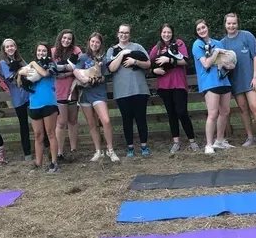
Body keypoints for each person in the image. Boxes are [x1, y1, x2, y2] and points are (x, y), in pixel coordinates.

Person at [221, 13, 256, 147]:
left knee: (255, 107)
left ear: (237, 24)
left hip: (251, 78)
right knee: (243, 109)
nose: (231, 26)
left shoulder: (247, 36)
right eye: (229, 23)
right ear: (225, 25)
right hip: (236, 81)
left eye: (234, 23)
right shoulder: (222, 43)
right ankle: (250, 137)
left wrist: (255, 76)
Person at [149, 24, 198, 154]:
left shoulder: (179, 44)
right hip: (164, 85)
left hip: (178, 84)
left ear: (172, 33)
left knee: (182, 112)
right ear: (160, 33)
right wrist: (154, 70)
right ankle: (176, 142)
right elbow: (149, 64)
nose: (166, 34)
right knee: (171, 114)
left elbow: (185, 61)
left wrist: (169, 59)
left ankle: (192, 141)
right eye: (164, 32)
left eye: (169, 32)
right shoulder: (156, 48)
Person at [106, 24, 152, 157]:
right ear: (117, 34)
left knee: (141, 118)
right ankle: (130, 148)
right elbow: (112, 68)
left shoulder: (137, 47)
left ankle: (144, 146)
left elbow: (148, 64)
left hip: (139, 89)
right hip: (122, 91)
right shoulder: (112, 50)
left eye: (126, 33)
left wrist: (135, 62)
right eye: (121, 32)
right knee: (127, 120)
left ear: (129, 34)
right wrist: (122, 54)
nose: (124, 35)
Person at [76, 32, 120, 162]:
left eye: (97, 42)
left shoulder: (103, 59)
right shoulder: (83, 58)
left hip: (98, 94)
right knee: (92, 123)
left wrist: (95, 79)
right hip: (85, 95)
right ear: (89, 42)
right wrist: (84, 79)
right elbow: (77, 72)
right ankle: (98, 151)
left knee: (105, 121)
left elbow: (104, 77)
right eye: (93, 41)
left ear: (101, 44)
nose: (94, 44)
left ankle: (110, 150)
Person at [192, 19, 234, 154]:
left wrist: (229, 65)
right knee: (213, 113)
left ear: (207, 27)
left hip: (224, 80)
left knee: (225, 111)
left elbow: (228, 62)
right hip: (209, 82)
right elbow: (206, 64)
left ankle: (220, 141)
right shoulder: (197, 44)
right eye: (198, 29)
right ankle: (208, 145)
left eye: (203, 27)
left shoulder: (218, 42)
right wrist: (216, 52)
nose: (202, 30)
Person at [0, 38, 37, 161]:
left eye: (12, 46)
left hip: (29, 95)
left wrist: (23, 71)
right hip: (18, 98)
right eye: (7, 47)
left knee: (38, 120)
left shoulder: (21, 60)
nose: (10, 48)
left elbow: (31, 72)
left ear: (15, 47)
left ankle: (44, 145)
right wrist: (22, 72)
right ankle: (27, 153)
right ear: (4, 49)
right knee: (23, 125)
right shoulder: (3, 63)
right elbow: (11, 78)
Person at [27, 42, 60, 172]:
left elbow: (45, 74)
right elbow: (21, 79)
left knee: (51, 133)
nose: (41, 53)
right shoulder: (30, 67)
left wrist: (33, 64)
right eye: (39, 51)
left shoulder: (51, 65)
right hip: (34, 104)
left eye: (44, 51)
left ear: (48, 52)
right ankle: (38, 162)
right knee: (38, 134)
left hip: (48, 103)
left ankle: (54, 162)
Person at [51, 30, 81, 161]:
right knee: (61, 122)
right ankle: (59, 152)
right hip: (58, 90)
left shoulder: (76, 50)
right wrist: (68, 68)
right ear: (60, 38)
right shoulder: (52, 51)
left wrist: (66, 72)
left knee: (73, 120)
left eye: (69, 39)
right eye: (64, 38)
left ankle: (74, 149)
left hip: (72, 88)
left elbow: (78, 68)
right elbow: (52, 69)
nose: (66, 41)